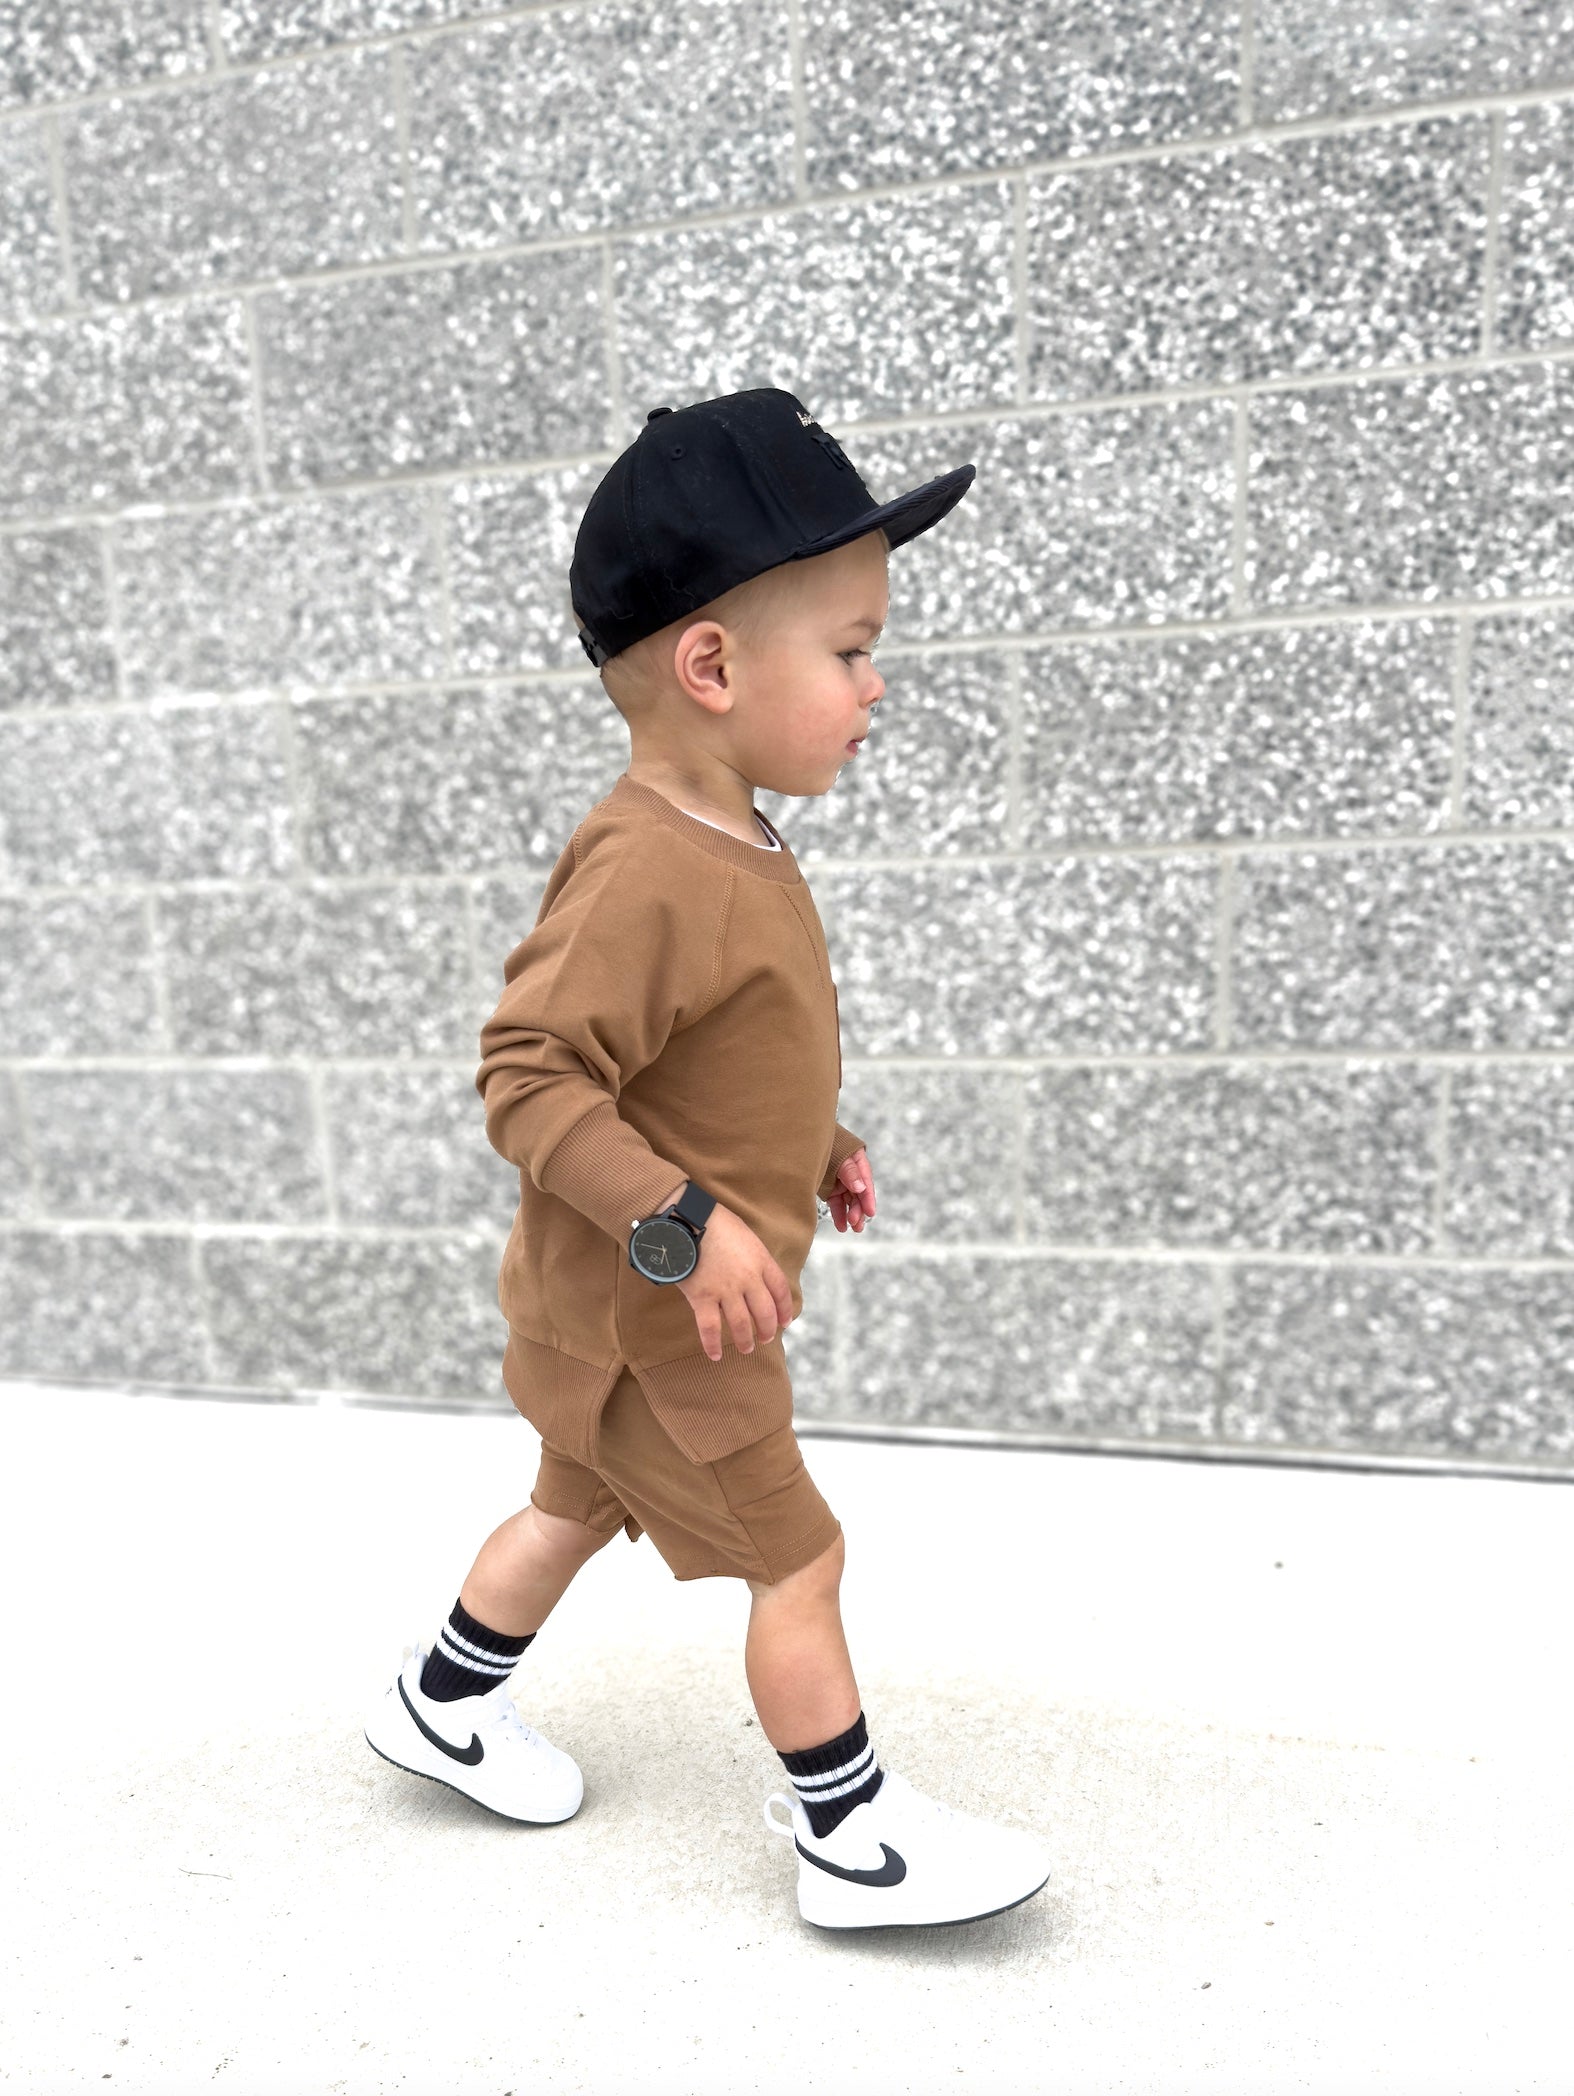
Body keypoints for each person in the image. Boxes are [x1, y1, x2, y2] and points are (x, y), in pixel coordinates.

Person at [364, 388, 1051, 1930]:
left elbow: (708, 1062)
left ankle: (439, 1701)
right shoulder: (645, 865)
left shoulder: (731, 833)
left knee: (571, 1506)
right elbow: (530, 1076)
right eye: (854, 648)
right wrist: (684, 1218)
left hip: (614, 1312)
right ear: (713, 664)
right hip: (671, 1315)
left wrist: (814, 1148)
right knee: (799, 1558)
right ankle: (850, 1838)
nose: (879, 684)